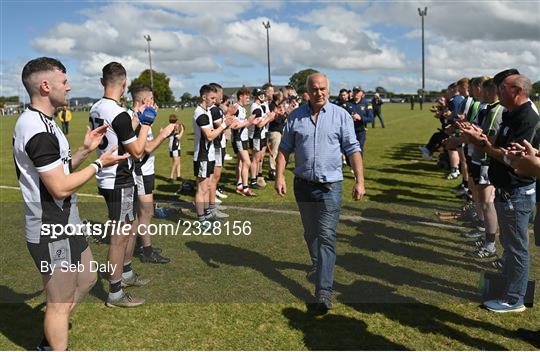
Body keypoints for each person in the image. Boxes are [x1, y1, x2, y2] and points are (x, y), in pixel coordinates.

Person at [13, 57, 126, 350]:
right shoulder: (36, 129)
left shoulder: (46, 124)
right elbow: (60, 187)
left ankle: (51, 337)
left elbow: (60, 169)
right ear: (46, 86)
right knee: (59, 303)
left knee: (87, 278)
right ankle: (53, 343)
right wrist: (100, 163)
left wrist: (86, 151)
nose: (69, 87)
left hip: (67, 223)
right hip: (51, 227)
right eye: (64, 82)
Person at [275, 72, 366, 314]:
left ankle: (324, 290)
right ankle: (318, 265)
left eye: (323, 88)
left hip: (330, 187)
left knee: (326, 235)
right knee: (310, 232)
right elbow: (284, 149)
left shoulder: (341, 116)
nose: (319, 93)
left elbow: (352, 149)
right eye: (315, 89)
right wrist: (280, 175)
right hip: (303, 185)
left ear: (329, 89)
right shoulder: (295, 117)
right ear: (307, 91)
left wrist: (360, 180)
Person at [459, 69, 540, 313]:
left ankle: (514, 299)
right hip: (507, 191)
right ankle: (508, 290)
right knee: (511, 245)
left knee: (516, 248)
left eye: (502, 87)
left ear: (518, 91)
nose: (497, 91)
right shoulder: (512, 113)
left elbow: (512, 159)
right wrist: (482, 139)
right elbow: (502, 149)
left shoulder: (527, 119)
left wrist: (482, 144)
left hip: (516, 192)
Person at [90, 62, 154, 308]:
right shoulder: (118, 112)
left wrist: (135, 120)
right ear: (125, 83)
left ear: (101, 81)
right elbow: (137, 151)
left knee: (129, 227)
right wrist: (146, 122)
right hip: (119, 178)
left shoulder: (97, 108)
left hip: (107, 175)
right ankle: (115, 291)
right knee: (120, 235)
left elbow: (119, 136)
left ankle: (125, 273)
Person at [129, 85, 176, 264]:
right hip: (141, 171)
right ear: (144, 101)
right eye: (152, 99)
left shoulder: (141, 117)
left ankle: (141, 244)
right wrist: (163, 134)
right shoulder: (138, 119)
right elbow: (145, 149)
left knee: (143, 211)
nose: (154, 103)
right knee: (146, 211)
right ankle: (146, 250)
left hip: (146, 170)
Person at [193, 84, 233, 222]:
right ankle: (201, 219)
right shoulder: (200, 113)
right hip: (202, 155)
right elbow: (209, 136)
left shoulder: (207, 112)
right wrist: (224, 125)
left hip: (208, 154)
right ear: (204, 97)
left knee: (206, 187)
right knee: (202, 188)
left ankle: (207, 214)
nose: (214, 100)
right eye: (212, 98)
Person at [231, 87, 256, 196]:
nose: (248, 99)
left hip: (243, 138)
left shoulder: (243, 108)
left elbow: (243, 125)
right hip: (239, 138)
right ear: (240, 96)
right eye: (247, 97)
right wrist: (247, 121)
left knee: (241, 162)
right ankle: (245, 188)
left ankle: (239, 185)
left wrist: (252, 122)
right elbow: (233, 125)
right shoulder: (235, 108)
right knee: (247, 162)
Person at [345, 86, 373, 154]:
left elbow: (371, 118)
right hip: (349, 131)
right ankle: (349, 164)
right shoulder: (347, 103)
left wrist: (360, 118)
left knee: (359, 150)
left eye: (358, 92)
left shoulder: (367, 104)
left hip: (361, 131)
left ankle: (358, 164)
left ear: (361, 93)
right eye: (354, 91)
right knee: (348, 149)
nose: (356, 93)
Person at [267, 91, 287, 180]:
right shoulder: (272, 106)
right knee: (274, 151)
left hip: (278, 131)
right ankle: (272, 169)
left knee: (276, 151)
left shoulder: (276, 106)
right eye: (282, 97)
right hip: (274, 131)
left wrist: (283, 116)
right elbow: (274, 120)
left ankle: (274, 168)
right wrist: (281, 116)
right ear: (279, 98)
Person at [168, 114, 184, 182]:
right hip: (174, 146)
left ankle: (178, 175)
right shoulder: (174, 128)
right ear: (176, 120)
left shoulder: (170, 127)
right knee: (175, 161)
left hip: (175, 146)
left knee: (178, 161)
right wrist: (182, 130)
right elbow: (179, 137)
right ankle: (171, 177)